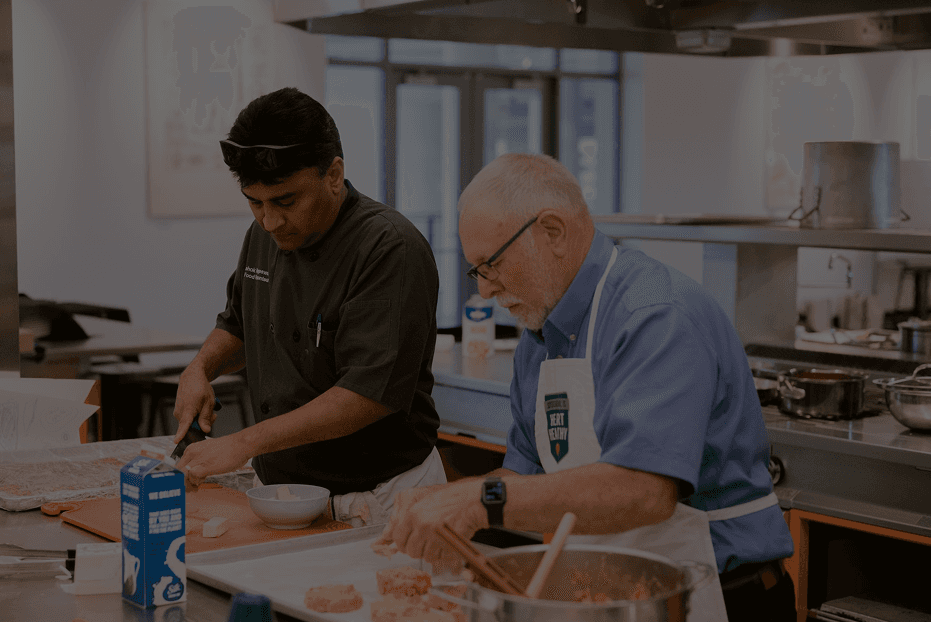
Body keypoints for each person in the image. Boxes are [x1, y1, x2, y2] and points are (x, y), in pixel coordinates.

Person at [378, 153, 795, 622]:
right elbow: (524, 477)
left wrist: (479, 501)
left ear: (553, 232)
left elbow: (642, 491)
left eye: (491, 264)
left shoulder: (654, 314)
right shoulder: (540, 335)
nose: (487, 290)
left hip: (716, 597)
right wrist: (446, 502)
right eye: (478, 271)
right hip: (609, 595)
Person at [172, 87, 446, 526]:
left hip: (379, 498)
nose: (270, 220)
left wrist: (243, 442)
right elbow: (240, 324)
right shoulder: (264, 235)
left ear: (333, 174)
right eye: (254, 202)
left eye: (286, 201)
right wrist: (200, 368)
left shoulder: (389, 248)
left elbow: (365, 396)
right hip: (283, 493)